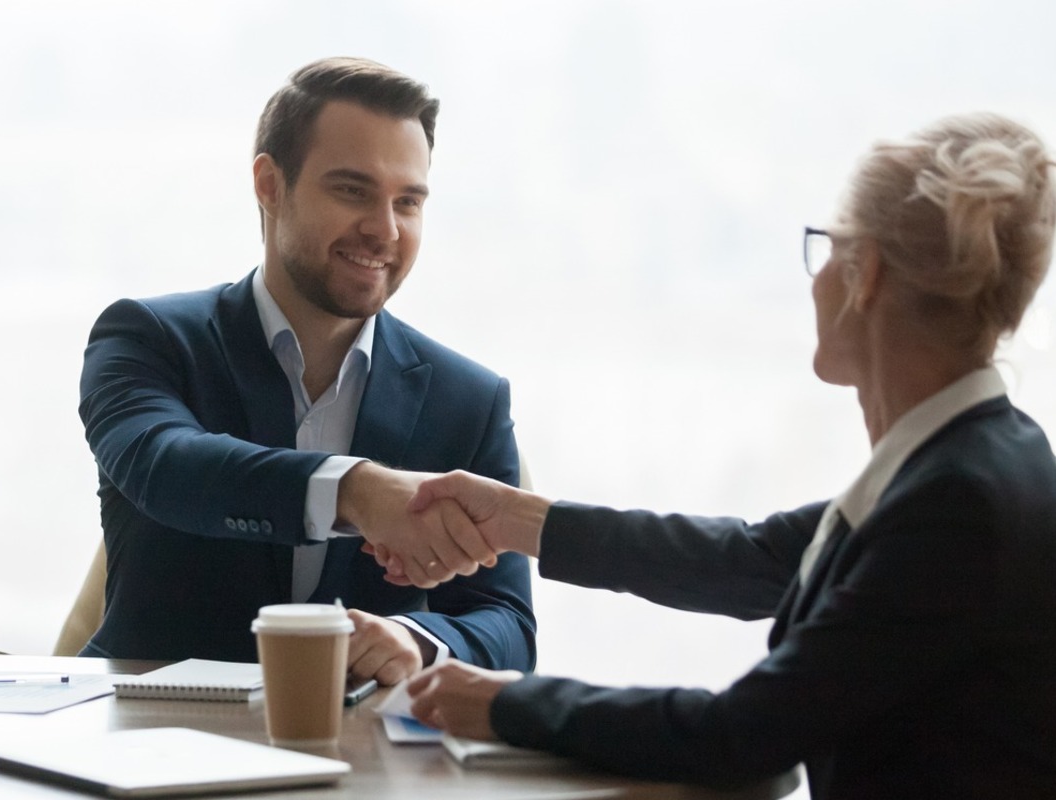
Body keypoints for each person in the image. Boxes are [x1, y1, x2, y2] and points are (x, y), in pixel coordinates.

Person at [402, 113, 1056, 797]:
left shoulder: (958, 505)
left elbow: (742, 733)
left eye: (828, 248)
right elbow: (753, 559)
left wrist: (506, 704)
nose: (817, 278)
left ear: (866, 277)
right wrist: (518, 521)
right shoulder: (981, 457)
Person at [77, 57, 536, 685]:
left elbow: (506, 623)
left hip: (362, 764)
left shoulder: (470, 399)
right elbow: (165, 464)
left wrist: (418, 639)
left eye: (408, 201)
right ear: (269, 184)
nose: (384, 229)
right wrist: (357, 491)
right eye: (352, 190)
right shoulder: (148, 337)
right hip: (146, 739)